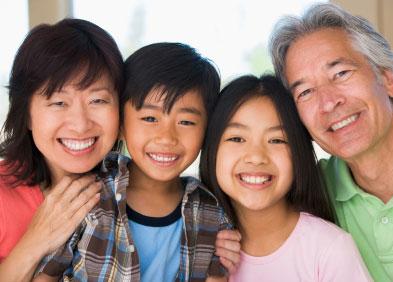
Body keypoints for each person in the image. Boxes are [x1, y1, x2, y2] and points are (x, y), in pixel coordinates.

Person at [35, 42, 241, 282]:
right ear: (121, 125)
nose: (166, 137)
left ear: (207, 132)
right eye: (150, 118)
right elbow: (46, 276)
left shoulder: (211, 212)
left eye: (186, 122)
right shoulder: (89, 196)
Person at [269, 3, 393, 281]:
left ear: (388, 78)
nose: (328, 102)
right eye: (305, 92)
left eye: (340, 73)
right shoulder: (310, 192)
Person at [200, 74, 371, 281]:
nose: (256, 157)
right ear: (211, 150)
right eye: (237, 138)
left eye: (277, 140)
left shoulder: (329, 248)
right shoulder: (195, 247)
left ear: (299, 152)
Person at [0, 18, 124, 281]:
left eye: (98, 100)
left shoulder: (129, 188)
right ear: (27, 114)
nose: (80, 125)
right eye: (58, 102)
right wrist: (36, 240)